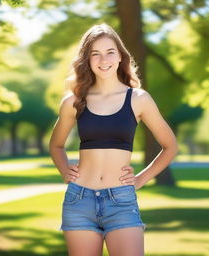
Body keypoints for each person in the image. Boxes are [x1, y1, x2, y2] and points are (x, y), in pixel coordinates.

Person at [49, 23, 178, 256]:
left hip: (120, 201)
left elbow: (170, 146)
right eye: (95, 54)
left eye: (109, 52)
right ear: (86, 59)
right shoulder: (74, 101)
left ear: (120, 56)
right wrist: (63, 170)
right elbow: (56, 144)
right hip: (79, 201)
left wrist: (140, 179)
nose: (103, 59)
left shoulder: (138, 99)